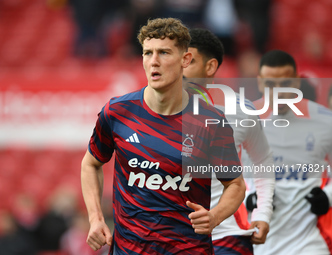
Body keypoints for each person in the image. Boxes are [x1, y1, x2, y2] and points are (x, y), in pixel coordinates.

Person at [81, 18, 246, 254]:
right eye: (148, 53)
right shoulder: (118, 112)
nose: (154, 61)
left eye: (164, 52)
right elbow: (90, 163)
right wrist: (95, 218)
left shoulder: (211, 122)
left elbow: (236, 185)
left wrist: (215, 216)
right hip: (129, 249)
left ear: (185, 60)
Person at [183, 28, 275, 255]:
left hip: (227, 236)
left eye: (189, 61)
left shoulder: (240, 110)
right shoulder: (150, 112)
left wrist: (262, 213)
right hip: (173, 237)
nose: (180, 68)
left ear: (211, 66)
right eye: (178, 60)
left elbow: (263, 162)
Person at [252, 49, 332, 254]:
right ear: (259, 82)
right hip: (264, 243)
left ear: (297, 82)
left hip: (311, 241)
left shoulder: (324, 121)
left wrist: (328, 197)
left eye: (285, 84)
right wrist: (248, 196)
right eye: (270, 84)